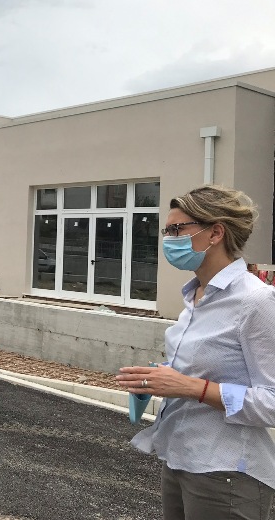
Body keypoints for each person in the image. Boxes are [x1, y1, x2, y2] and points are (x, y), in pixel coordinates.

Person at [116, 185, 275, 520]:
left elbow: (272, 401)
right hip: (180, 459)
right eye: (166, 231)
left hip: (228, 471)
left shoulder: (256, 301)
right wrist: (157, 378)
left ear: (215, 233)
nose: (168, 240)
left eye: (177, 229)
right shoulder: (195, 297)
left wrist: (191, 387)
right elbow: (206, 368)